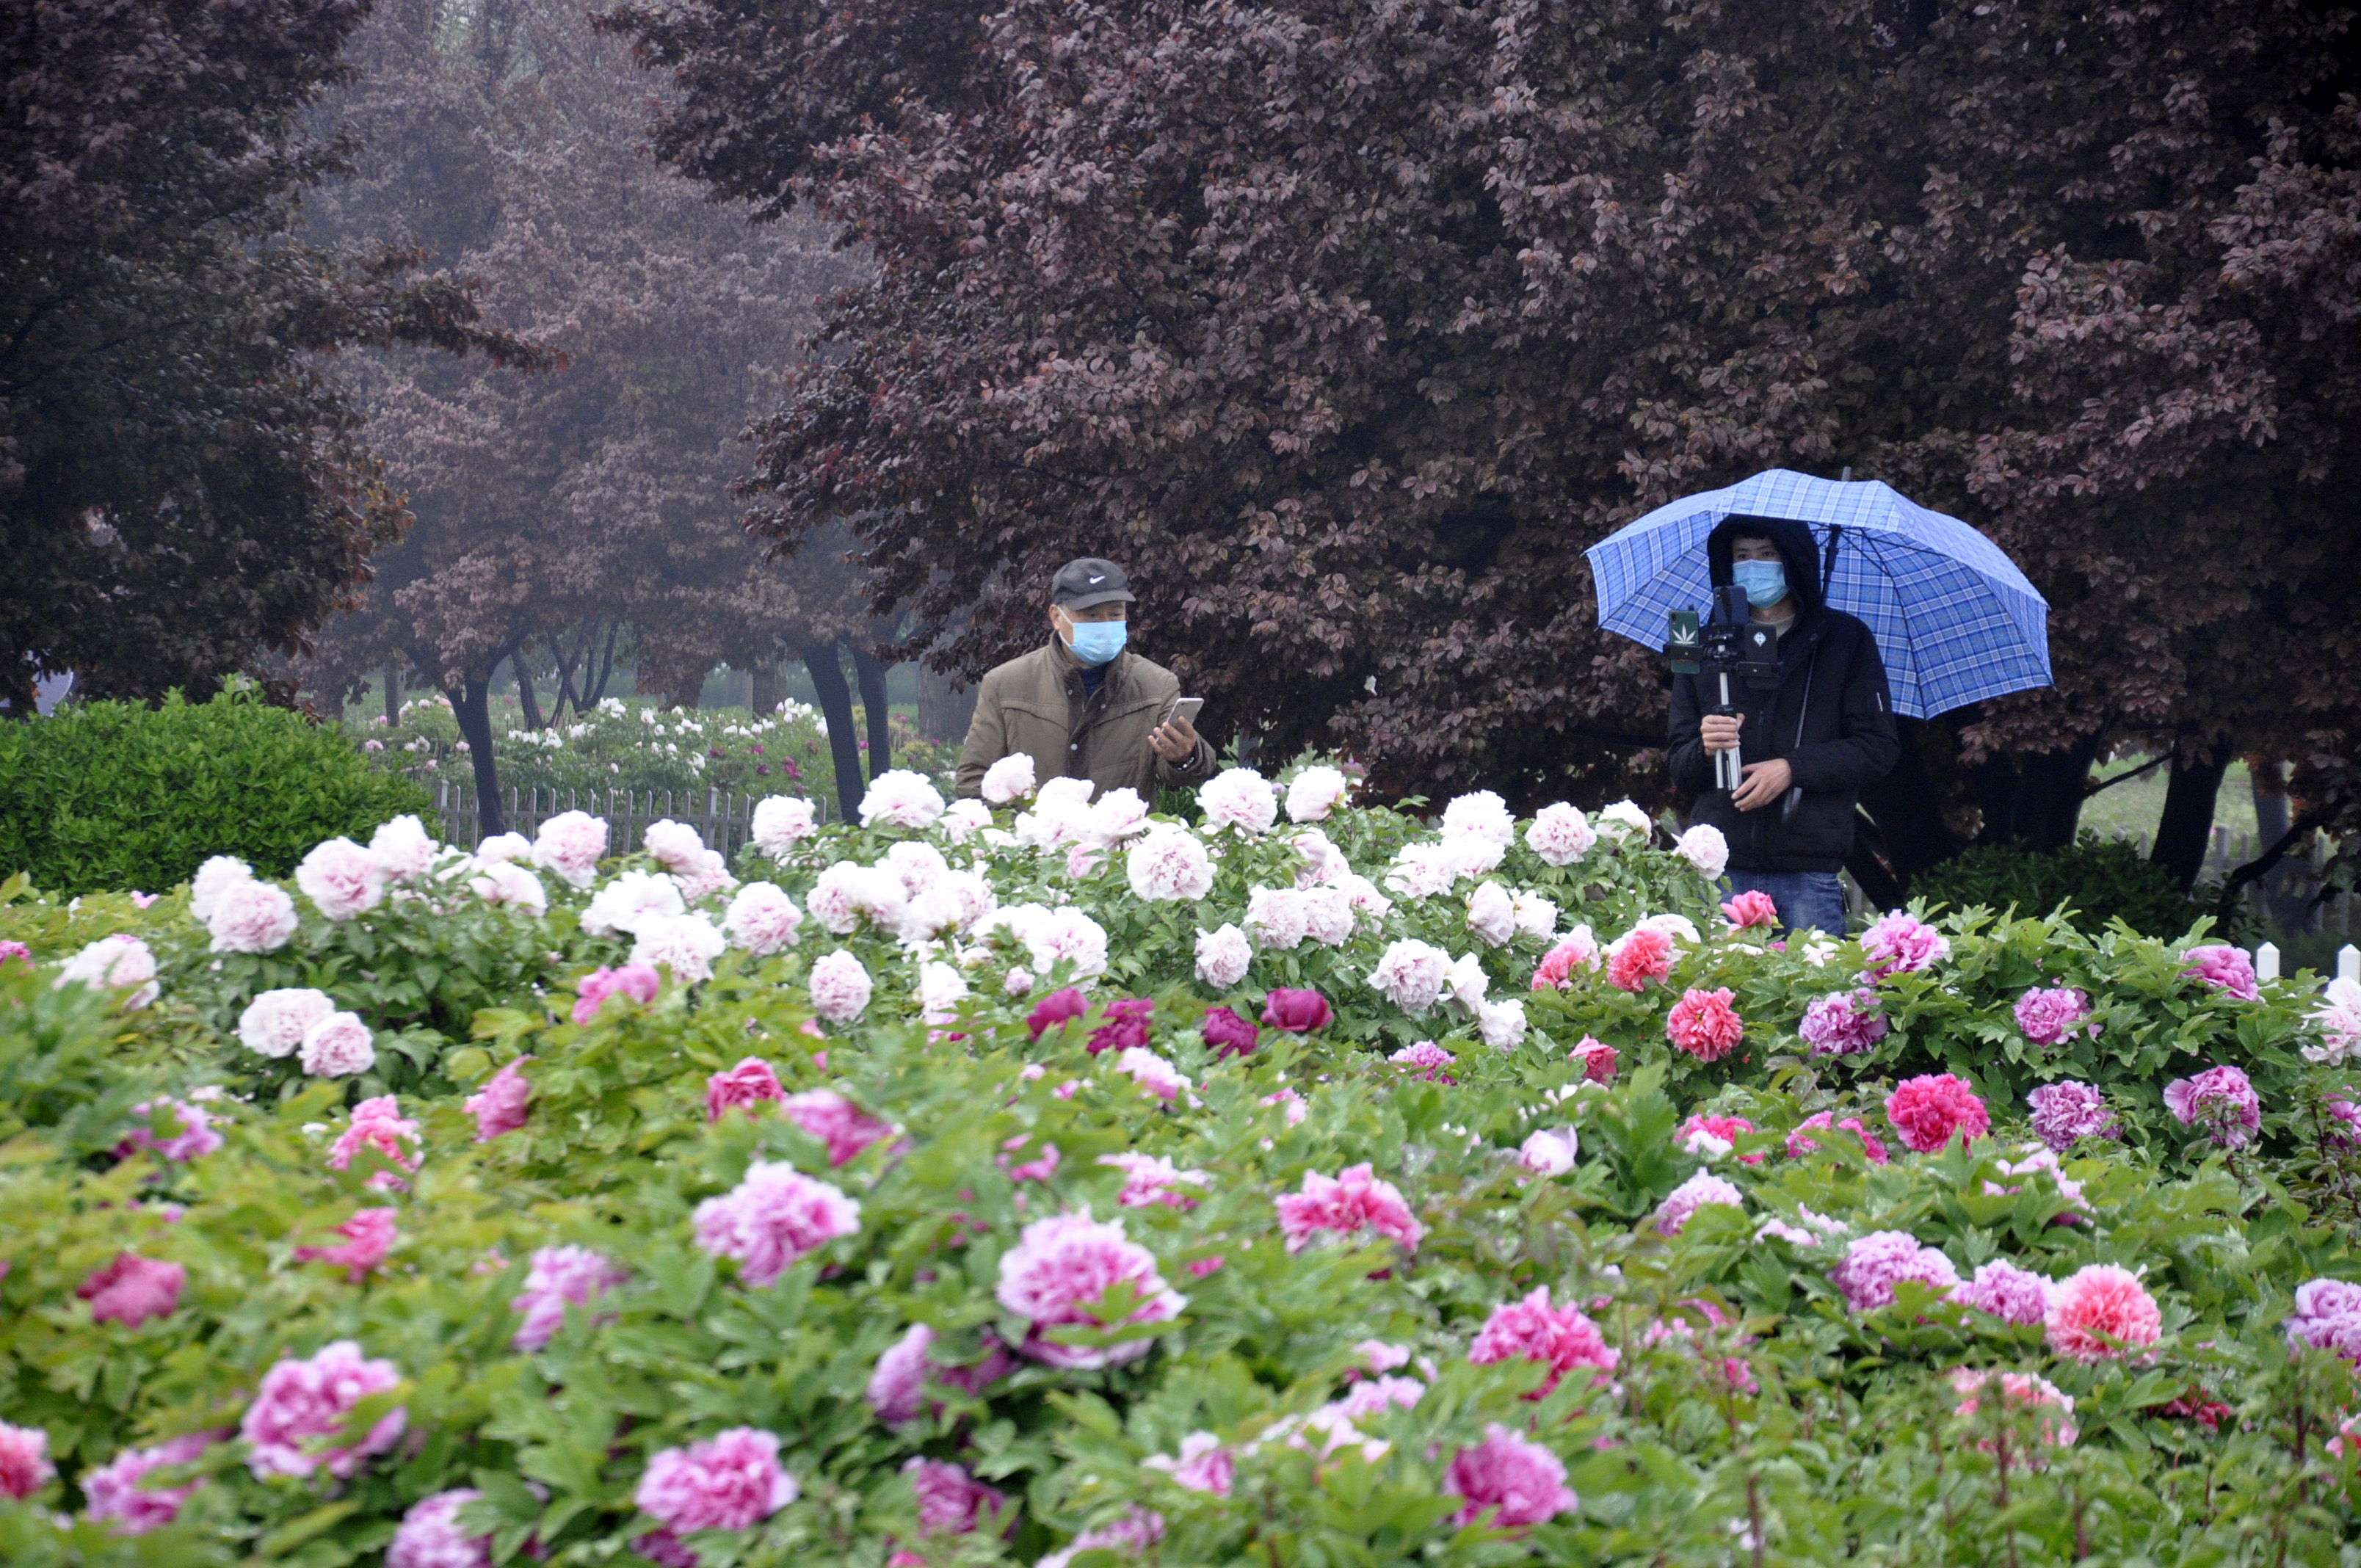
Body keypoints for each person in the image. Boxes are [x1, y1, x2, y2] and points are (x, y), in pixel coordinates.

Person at [1665, 515, 1900, 935]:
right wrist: (1704, 747)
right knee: (1718, 999)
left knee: (1818, 998)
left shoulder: (1843, 641)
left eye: (1768, 554)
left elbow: (1877, 747)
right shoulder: (1705, 645)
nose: (1754, 566)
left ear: (1792, 560)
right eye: (1742, 556)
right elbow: (1679, 768)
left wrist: (1793, 769)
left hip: (1808, 871)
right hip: (1720, 871)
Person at [955, 557, 1215, 799]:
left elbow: (1180, 775)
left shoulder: (1157, 685)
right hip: (1035, 846)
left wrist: (1185, 756)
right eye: (1091, 615)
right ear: (1057, 617)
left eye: (1115, 614)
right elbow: (975, 781)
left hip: (1121, 846)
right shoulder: (1005, 685)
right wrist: (1022, 833)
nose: (1104, 623)